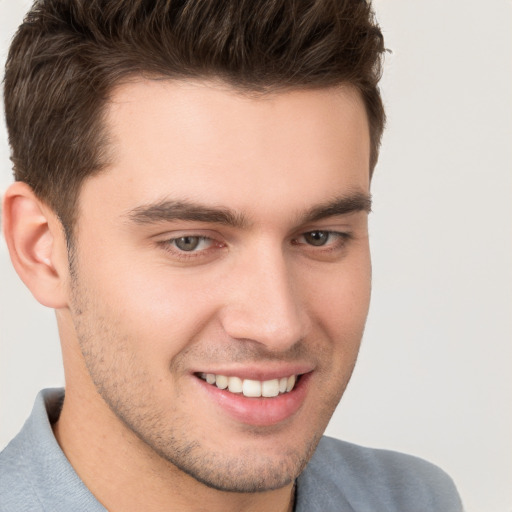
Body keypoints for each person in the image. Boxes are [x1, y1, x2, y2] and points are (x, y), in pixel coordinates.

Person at [0, 1, 463, 511]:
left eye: (319, 237)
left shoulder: (414, 500)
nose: (277, 325)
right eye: (189, 242)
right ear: (41, 249)